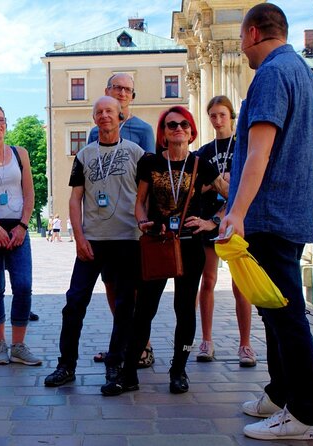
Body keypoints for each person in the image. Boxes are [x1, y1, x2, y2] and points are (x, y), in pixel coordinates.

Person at [219, 4, 313, 440]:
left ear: (251, 33)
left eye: (242, 42)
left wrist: (237, 212)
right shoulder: (305, 73)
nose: (243, 50)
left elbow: (259, 152)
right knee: (273, 309)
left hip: (270, 214)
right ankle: (280, 392)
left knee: (286, 315)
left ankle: (304, 415)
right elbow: (311, 148)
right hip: (291, 211)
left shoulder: (269, 74)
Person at [116, 106, 228, 396]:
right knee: (144, 311)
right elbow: (140, 201)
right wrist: (141, 221)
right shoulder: (150, 162)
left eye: (183, 125)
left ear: (191, 133)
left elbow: (232, 196)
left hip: (191, 246)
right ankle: (128, 373)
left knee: (185, 311)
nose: (178, 129)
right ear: (163, 134)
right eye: (171, 125)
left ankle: (179, 370)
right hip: (157, 243)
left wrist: (211, 221)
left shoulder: (201, 164)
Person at [44, 96, 145, 395]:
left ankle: (116, 363)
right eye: (99, 112)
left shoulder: (136, 153)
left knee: (126, 305)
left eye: (109, 111)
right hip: (93, 241)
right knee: (74, 302)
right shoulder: (85, 155)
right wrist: (79, 236)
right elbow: (75, 199)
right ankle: (67, 365)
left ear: (120, 117)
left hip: (128, 239)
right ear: (94, 118)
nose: (104, 116)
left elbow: (145, 196)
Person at [88, 72, 157, 368]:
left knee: (136, 287)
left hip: (133, 222)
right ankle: (122, 342)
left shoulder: (142, 129)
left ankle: (144, 346)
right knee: (111, 284)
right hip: (104, 224)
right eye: (118, 88)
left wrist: (149, 219)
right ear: (107, 90)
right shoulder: (94, 133)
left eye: (128, 89)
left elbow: (152, 175)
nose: (123, 93)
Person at [194, 96, 256, 366]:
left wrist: (228, 184)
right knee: (207, 281)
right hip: (208, 221)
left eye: (222, 115)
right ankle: (206, 340)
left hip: (237, 221)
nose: (217, 120)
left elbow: (250, 180)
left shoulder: (243, 147)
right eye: (213, 116)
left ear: (231, 117)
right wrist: (216, 184)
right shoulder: (204, 152)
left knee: (240, 284)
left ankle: (245, 344)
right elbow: (195, 187)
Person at [0, 104, 41, 367]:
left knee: (23, 285)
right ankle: (0, 343)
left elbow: (29, 193)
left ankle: (18, 345)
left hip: (17, 228)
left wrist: (23, 226)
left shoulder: (20, 153)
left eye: (1, 120)